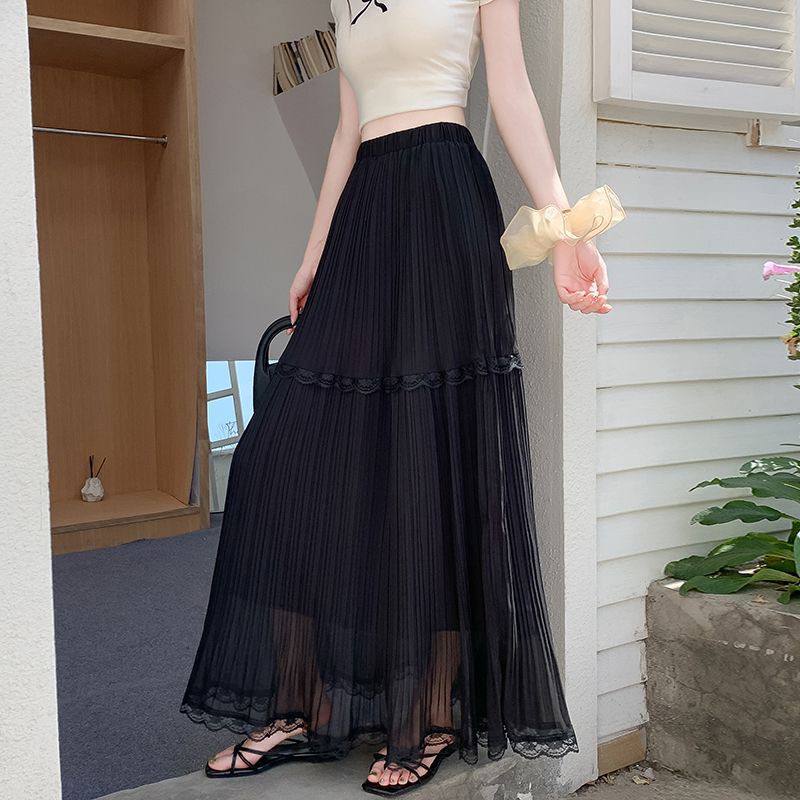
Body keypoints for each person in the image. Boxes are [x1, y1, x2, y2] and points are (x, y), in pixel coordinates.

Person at [182, 0, 610, 795]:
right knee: (279, 459)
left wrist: (567, 232)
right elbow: (347, 131)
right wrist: (313, 255)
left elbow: (512, 92)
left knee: (431, 461)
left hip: (444, 203)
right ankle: (303, 703)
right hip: (364, 215)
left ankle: (431, 711)